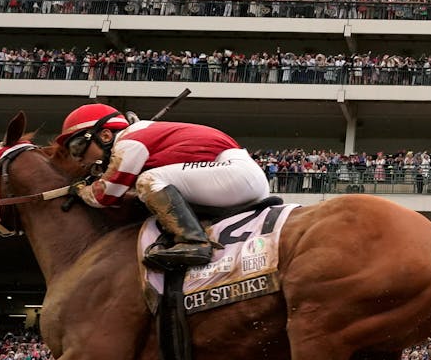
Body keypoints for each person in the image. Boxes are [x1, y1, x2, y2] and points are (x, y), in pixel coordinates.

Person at [54, 102, 269, 270]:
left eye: (78, 147)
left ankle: (194, 243)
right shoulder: (140, 135)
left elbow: (106, 195)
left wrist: (81, 190)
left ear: (105, 135)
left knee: (147, 181)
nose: (78, 159)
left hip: (235, 174)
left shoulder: (129, 143)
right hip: (237, 175)